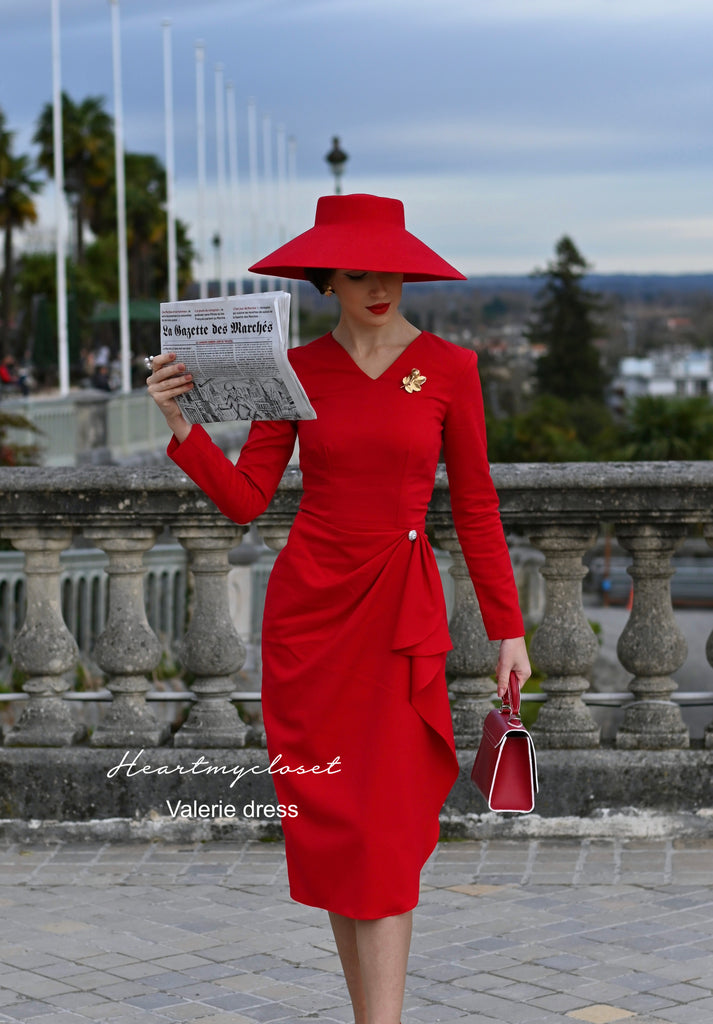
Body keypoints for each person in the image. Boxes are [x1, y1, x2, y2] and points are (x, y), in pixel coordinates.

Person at [147, 193, 530, 1024]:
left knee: (385, 832)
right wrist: (181, 426)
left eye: (391, 269)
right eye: (358, 273)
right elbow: (249, 499)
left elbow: (474, 506)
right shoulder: (296, 371)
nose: (380, 285)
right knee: (335, 829)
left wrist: (507, 627)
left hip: (399, 616)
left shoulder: (450, 370)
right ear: (326, 279)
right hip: (311, 622)